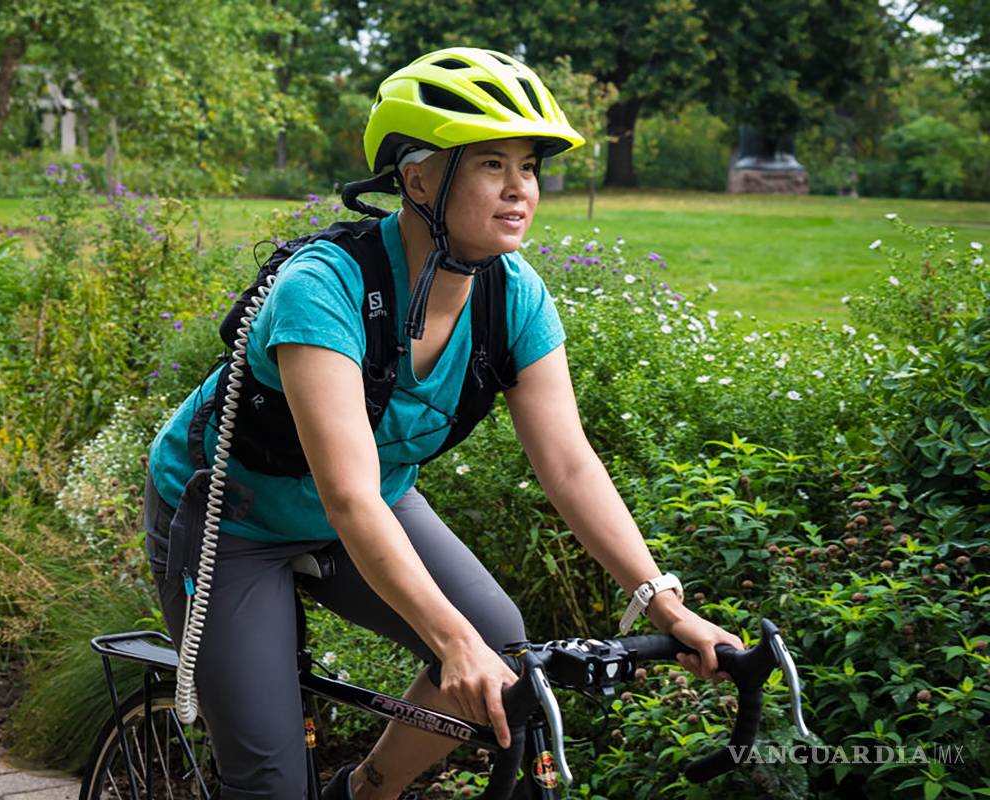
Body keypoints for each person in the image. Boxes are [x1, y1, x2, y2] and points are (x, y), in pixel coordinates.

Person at [143, 46, 744, 800]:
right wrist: (449, 640)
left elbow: (568, 463)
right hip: (232, 518)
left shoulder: (513, 296)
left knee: (503, 643)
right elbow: (349, 497)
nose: (520, 189)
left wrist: (663, 601)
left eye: (528, 167)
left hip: (373, 503)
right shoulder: (323, 290)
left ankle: (367, 791)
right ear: (417, 176)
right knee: (268, 778)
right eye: (492, 164)